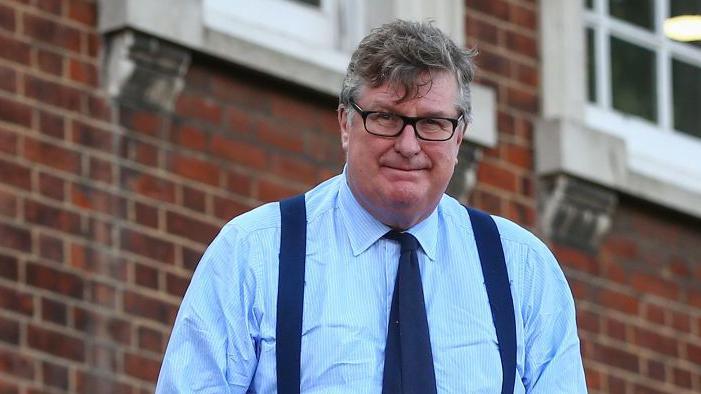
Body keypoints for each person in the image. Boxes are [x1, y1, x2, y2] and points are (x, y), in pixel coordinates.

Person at [156, 20, 587, 393]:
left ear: (459, 136)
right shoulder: (254, 253)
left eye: (433, 123)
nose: (408, 145)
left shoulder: (523, 271)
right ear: (346, 123)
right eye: (386, 118)